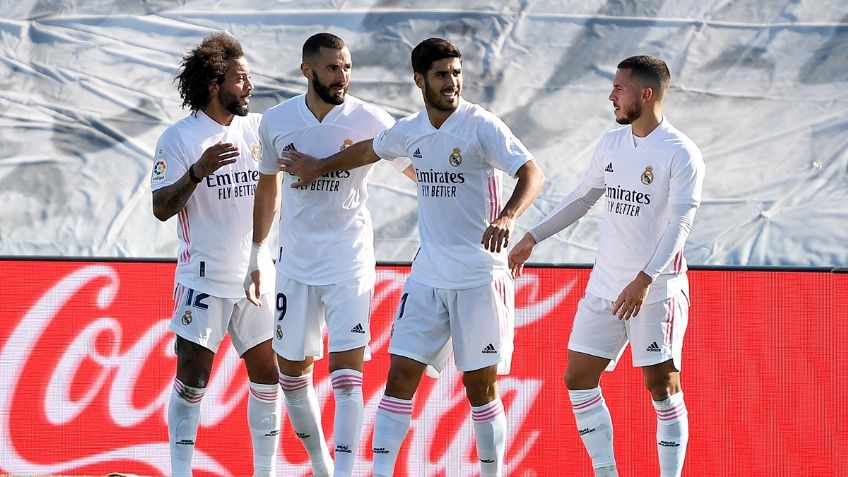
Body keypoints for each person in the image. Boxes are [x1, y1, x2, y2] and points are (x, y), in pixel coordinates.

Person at [278, 37, 545, 477]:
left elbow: (532, 171)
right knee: (399, 376)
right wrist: (316, 166)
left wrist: (509, 216)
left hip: (480, 276)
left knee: (479, 386)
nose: (452, 82)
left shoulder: (482, 126)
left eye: (457, 73)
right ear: (420, 80)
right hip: (428, 277)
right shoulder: (411, 129)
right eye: (442, 75)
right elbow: (367, 150)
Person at [508, 55, 705, 477]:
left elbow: (681, 223)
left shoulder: (680, 152)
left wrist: (645, 279)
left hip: (654, 290)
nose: (611, 95)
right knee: (578, 377)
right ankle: (606, 472)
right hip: (604, 287)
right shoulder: (611, 144)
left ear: (645, 94)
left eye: (619, 88)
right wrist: (532, 237)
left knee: (662, 387)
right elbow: (582, 198)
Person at [244, 33, 415, 477]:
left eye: (347, 67)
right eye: (333, 68)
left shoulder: (370, 119)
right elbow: (268, 185)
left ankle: (343, 472)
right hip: (296, 264)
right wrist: (256, 253)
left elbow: (417, 169)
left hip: (349, 261)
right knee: (292, 376)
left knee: (346, 375)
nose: (343, 76)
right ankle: (320, 466)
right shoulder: (278, 120)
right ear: (308, 71)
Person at [151, 33, 280, 477]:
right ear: (213, 83)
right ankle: (181, 471)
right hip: (203, 278)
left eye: (249, 78)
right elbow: (161, 208)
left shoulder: (261, 129)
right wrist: (197, 172)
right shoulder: (180, 138)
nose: (249, 87)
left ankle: (265, 471)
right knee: (193, 379)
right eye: (241, 78)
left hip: (257, 277)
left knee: (269, 377)